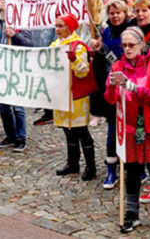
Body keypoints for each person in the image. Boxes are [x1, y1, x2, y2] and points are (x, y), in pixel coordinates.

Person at [105, 26, 150, 233]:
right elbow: (110, 99)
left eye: (131, 45)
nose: (127, 49)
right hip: (129, 127)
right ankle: (131, 213)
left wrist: (134, 88)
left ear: (141, 45)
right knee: (133, 171)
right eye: (124, 45)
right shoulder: (117, 66)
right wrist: (110, 85)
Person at [90, 0, 138, 190]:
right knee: (112, 130)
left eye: (118, 12)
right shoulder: (106, 31)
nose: (115, 16)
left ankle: (136, 166)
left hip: (130, 88)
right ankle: (112, 169)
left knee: (133, 129)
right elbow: (104, 59)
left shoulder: (132, 32)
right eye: (112, 13)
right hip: (111, 88)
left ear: (125, 13)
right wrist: (99, 50)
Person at [51, 13, 97, 181]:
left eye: (61, 26)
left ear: (70, 27)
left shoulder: (79, 46)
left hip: (76, 95)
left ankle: (91, 166)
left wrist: (74, 60)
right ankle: (73, 163)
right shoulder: (54, 44)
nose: (57, 29)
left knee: (81, 131)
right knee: (67, 131)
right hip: (61, 94)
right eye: (56, 26)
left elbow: (83, 71)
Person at [0, 0, 32, 152]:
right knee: (3, 106)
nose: (5, 1)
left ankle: (21, 137)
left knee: (17, 106)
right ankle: (10, 135)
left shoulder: (21, 20)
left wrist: (15, 35)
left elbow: (29, 43)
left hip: (16, 66)